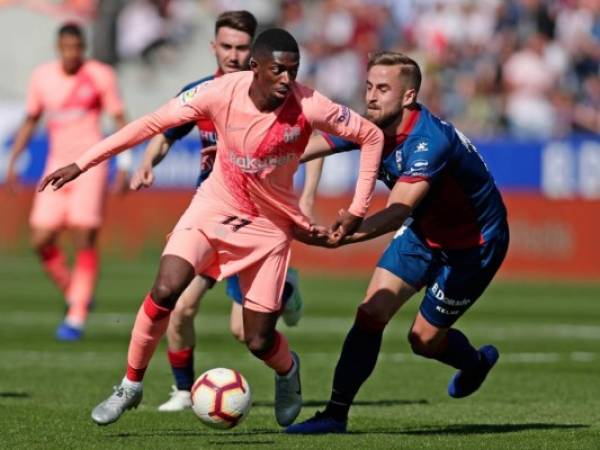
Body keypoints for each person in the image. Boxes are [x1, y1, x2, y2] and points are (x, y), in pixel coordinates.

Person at [39, 28, 384, 427]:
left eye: (294, 71)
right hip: (213, 208)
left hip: (269, 228)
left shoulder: (309, 104)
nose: (288, 80)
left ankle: (288, 370)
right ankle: (130, 385)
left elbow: (370, 135)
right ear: (255, 68)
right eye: (278, 71)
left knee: (257, 339)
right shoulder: (218, 93)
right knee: (166, 290)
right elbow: (149, 124)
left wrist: (358, 209)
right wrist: (83, 163)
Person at [286, 51, 509, 434]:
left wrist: (347, 235)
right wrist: (258, 162)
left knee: (422, 340)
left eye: (383, 89)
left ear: (408, 97)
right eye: (369, 86)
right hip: (424, 233)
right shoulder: (370, 124)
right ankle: (335, 415)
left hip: (473, 245)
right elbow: (307, 148)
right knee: (370, 313)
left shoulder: (428, 142)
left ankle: (474, 363)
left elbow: (397, 211)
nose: (371, 96)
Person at [128, 10, 320, 412]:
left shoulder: (279, 98)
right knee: (178, 305)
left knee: (243, 332)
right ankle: (183, 390)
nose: (233, 55)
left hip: (257, 223)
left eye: (241, 47)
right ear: (213, 47)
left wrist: (305, 201)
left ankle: (285, 291)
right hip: (212, 216)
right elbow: (165, 133)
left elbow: (315, 141)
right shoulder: (203, 92)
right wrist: (148, 162)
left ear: (255, 54)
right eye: (226, 46)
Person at [6, 23, 129, 341]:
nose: (72, 54)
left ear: (83, 48)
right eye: (66, 48)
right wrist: (14, 159)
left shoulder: (100, 75)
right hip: (55, 166)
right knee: (40, 239)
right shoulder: (43, 77)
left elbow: (118, 120)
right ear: (59, 47)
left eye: (77, 48)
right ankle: (76, 291)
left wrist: (125, 164)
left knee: (84, 235)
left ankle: (75, 316)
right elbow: (32, 119)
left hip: (89, 166)